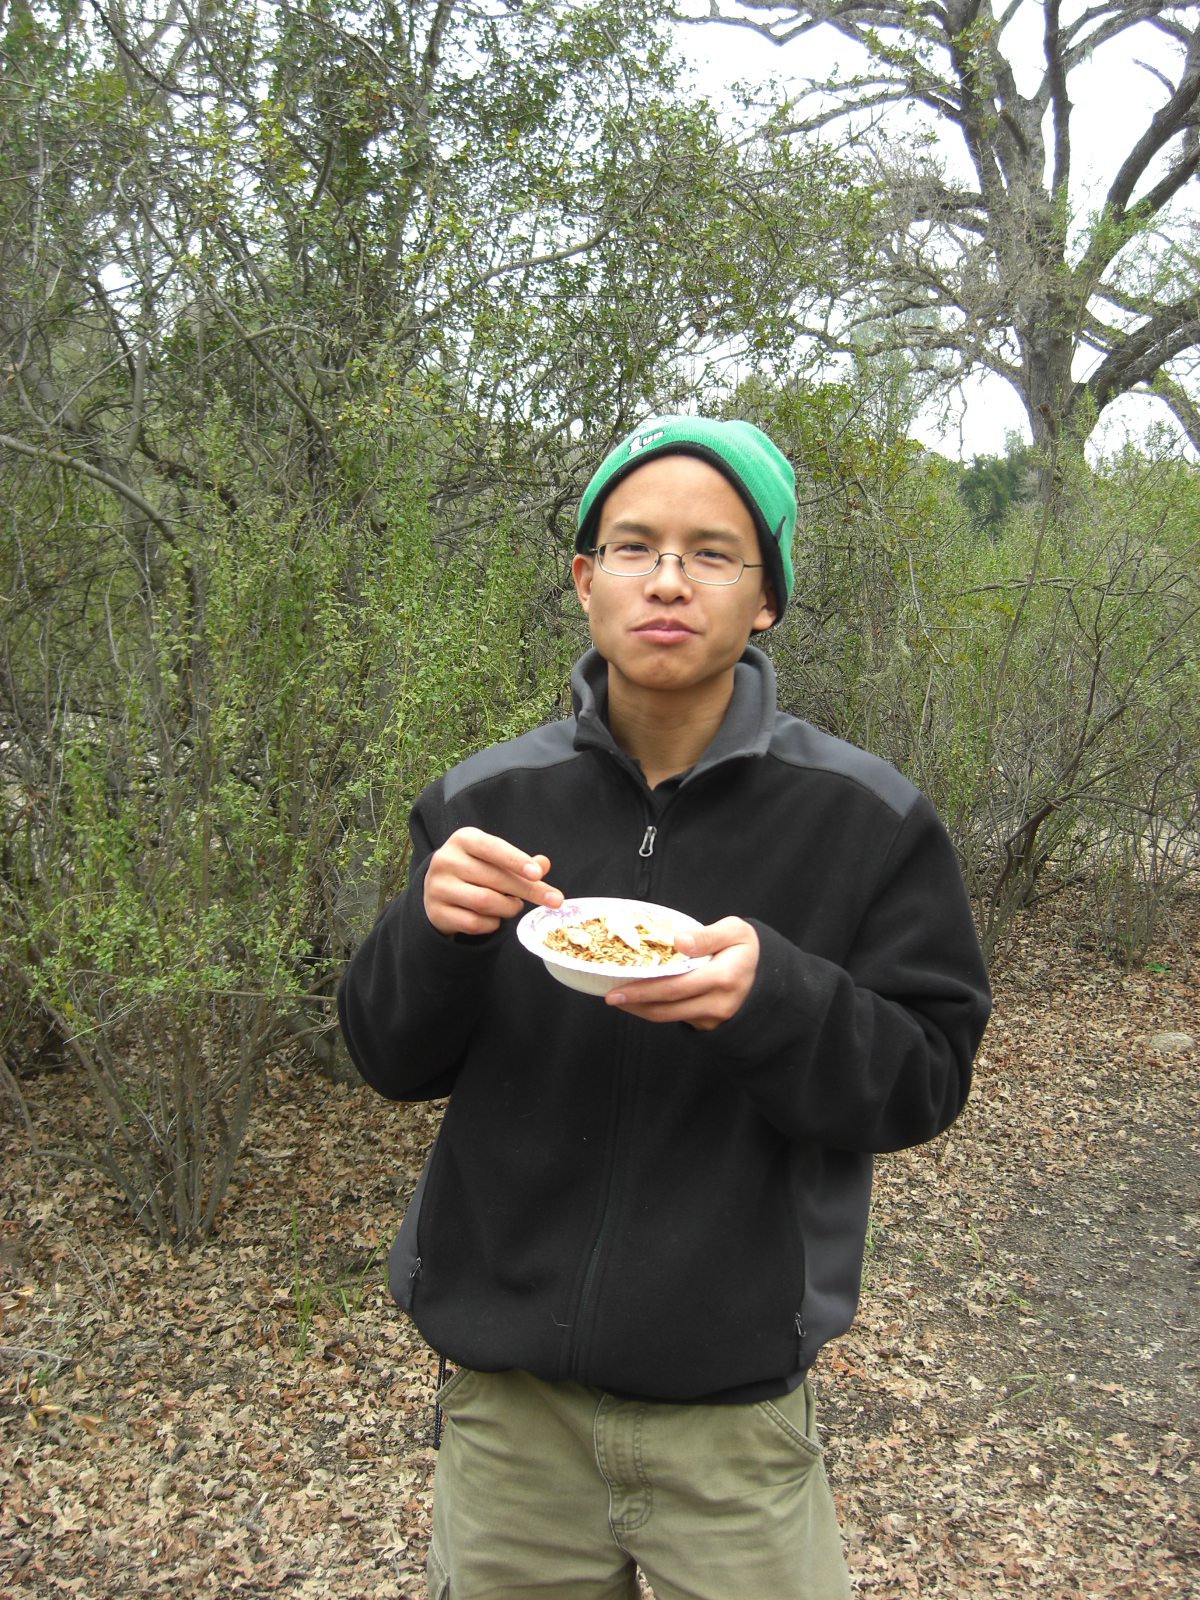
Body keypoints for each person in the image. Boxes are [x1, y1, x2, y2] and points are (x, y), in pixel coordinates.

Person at [338, 415, 991, 1600]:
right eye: (634, 547)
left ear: (767, 598)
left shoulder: (866, 818)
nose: (669, 580)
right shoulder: (486, 797)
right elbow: (389, 1055)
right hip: (509, 1414)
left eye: (713, 552)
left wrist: (773, 996)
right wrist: (426, 930)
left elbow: (926, 1074)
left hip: (731, 1419)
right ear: (587, 582)